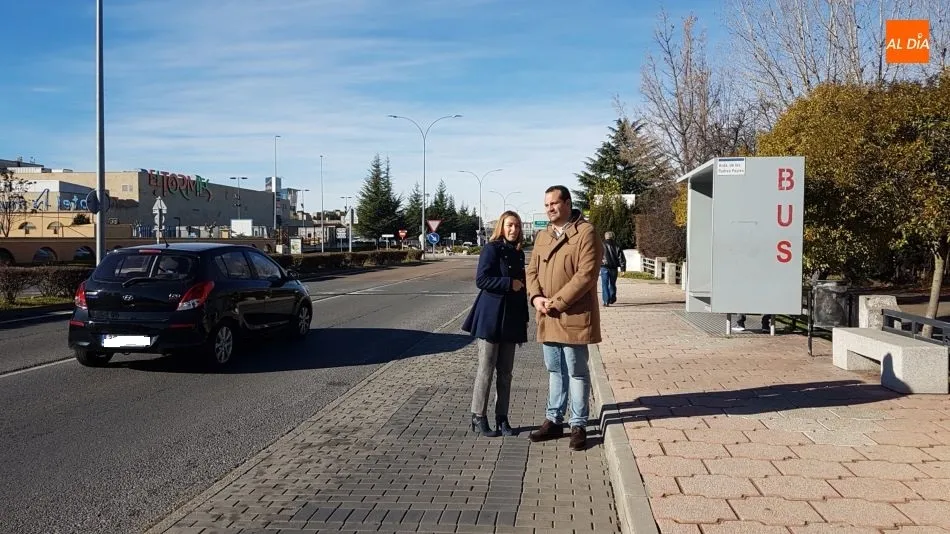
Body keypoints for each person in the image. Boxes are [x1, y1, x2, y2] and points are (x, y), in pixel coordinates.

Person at [526, 185, 603, 451]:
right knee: (554, 370)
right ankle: (554, 420)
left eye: (554, 203)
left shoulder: (586, 233)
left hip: (573, 314)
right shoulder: (542, 236)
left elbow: (586, 275)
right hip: (547, 314)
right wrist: (536, 298)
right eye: (546, 204)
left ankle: (579, 424)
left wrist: (556, 302)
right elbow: (532, 271)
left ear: (568, 203)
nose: (549, 208)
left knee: (577, 371)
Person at [462, 211, 529, 437]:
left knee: (506, 373)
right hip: (491, 316)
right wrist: (509, 283)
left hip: (511, 318)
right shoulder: (492, 249)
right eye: (510, 225)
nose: (514, 230)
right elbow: (482, 279)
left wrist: (524, 318)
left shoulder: (519, 253)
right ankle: (478, 415)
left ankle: (502, 418)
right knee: (486, 369)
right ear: (502, 226)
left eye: (517, 226)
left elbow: (523, 286)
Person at [601, 231, 625, 306]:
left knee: (604, 284)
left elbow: (597, 255)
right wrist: (623, 269)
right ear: (613, 237)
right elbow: (621, 258)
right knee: (612, 283)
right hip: (614, 268)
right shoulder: (617, 245)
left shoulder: (601, 245)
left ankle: (606, 301)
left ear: (605, 237)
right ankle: (612, 297)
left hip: (604, 267)